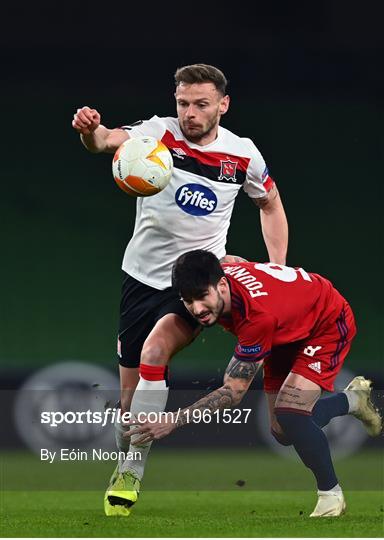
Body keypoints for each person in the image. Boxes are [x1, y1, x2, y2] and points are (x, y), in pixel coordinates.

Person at [71, 64, 289, 516]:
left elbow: (270, 204)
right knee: (129, 403)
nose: (190, 113)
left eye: (201, 104)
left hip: (195, 281)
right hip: (140, 278)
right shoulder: (157, 134)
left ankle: (132, 472)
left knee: (156, 351)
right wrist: (90, 132)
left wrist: (277, 270)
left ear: (223, 106)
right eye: (183, 103)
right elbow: (107, 141)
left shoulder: (243, 155)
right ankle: (125, 457)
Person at [130, 249, 382, 517]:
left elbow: (234, 391)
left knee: (291, 414)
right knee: (281, 432)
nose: (197, 309)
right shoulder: (222, 273)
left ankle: (331, 496)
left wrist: (173, 420)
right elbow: (232, 260)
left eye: (202, 297)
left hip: (326, 322)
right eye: (188, 301)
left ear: (222, 285)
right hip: (285, 329)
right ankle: (352, 400)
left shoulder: (256, 318)